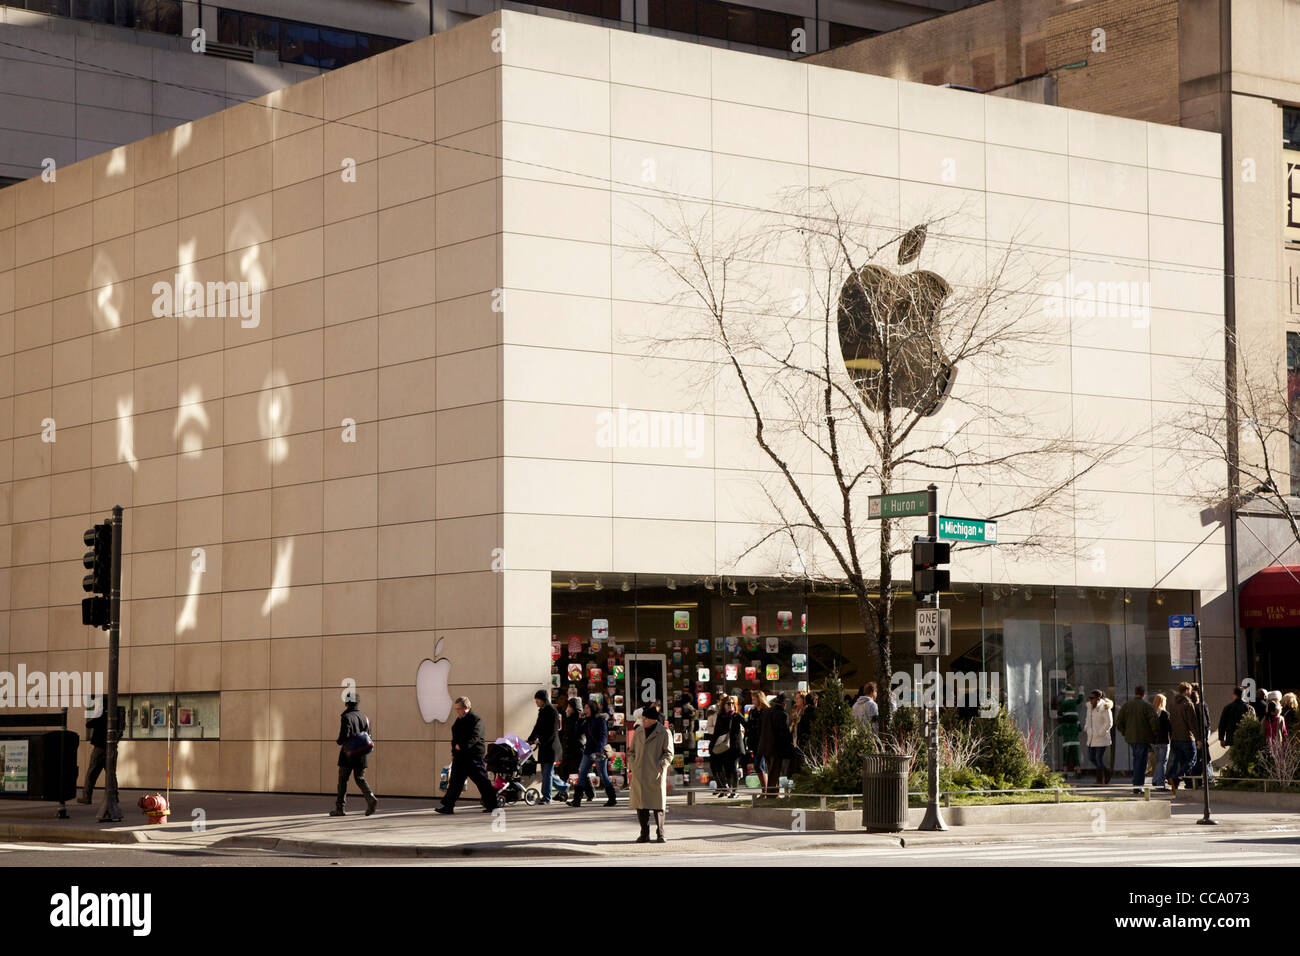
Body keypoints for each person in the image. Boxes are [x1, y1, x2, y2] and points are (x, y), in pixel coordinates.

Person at [436, 696, 496, 814]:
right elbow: (454, 739)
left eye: (459, 709)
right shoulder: (458, 722)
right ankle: (448, 806)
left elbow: (475, 738)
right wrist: (454, 752)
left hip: (473, 757)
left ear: (467, 707)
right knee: (455, 782)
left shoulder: (476, 720)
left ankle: (493, 805)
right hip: (460, 757)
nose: (457, 711)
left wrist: (462, 746)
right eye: (456, 709)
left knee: (482, 781)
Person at [627, 705, 673, 842]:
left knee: (658, 805)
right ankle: (644, 834)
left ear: (653, 720)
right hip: (639, 773)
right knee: (641, 805)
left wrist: (661, 766)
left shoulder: (664, 732)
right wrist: (633, 765)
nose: (642, 721)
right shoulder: (639, 731)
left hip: (655, 773)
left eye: (645, 719)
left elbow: (669, 753)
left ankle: (661, 833)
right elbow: (631, 752)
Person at [331, 695, 377, 817]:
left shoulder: (346, 717)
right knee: (360, 778)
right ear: (358, 703)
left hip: (348, 754)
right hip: (362, 754)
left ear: (346, 703)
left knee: (343, 780)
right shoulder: (365, 717)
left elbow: (344, 736)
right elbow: (369, 735)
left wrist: (339, 741)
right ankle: (370, 797)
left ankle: (340, 808)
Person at [571, 700, 617, 807]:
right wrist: (580, 720)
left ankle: (612, 798)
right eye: (584, 708)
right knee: (582, 772)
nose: (585, 710)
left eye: (587, 708)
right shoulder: (586, 721)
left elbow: (603, 736)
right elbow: (577, 732)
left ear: (592, 708)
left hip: (599, 751)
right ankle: (577, 800)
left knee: (603, 774)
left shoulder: (600, 720)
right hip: (588, 751)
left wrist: (598, 751)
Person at [1115, 685, 1158, 794]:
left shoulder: (1126, 706)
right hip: (1143, 738)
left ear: (1135, 693)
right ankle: (1138, 785)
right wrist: (1154, 735)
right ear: (1144, 694)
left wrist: (1125, 732)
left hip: (1131, 739)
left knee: (1137, 760)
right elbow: (1154, 723)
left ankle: (1137, 785)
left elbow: (1119, 722)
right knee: (1141, 762)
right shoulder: (1147, 706)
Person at [527, 689, 564, 805]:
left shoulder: (552, 711)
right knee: (546, 772)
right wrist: (530, 739)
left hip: (551, 747)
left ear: (542, 699)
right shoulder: (542, 711)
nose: (536, 702)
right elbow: (537, 727)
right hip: (544, 746)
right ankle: (565, 786)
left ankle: (547, 797)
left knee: (547, 773)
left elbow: (552, 732)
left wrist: (540, 740)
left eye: (537, 700)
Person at [1166, 682, 1198, 795]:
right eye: (1189, 691)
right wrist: (1198, 738)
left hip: (1175, 738)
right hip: (1187, 738)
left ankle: (1187, 784)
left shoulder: (1172, 703)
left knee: (1183, 761)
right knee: (1191, 760)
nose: (1190, 693)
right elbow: (1192, 723)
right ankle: (1175, 777)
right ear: (1186, 691)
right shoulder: (1188, 704)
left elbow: (1170, 721)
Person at [759, 692, 794, 796]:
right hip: (775, 747)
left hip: (764, 746)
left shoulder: (766, 712)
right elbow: (784, 733)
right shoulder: (782, 714)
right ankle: (772, 794)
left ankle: (774, 792)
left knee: (771, 770)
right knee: (774, 771)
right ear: (784, 704)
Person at [710, 696, 745, 797]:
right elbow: (716, 732)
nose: (731, 705)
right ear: (724, 705)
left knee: (733, 767)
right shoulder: (721, 716)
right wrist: (712, 746)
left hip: (735, 747)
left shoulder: (737, 716)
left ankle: (735, 791)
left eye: (732, 703)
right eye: (728, 704)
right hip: (725, 747)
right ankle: (727, 788)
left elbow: (747, 725)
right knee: (725, 768)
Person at [555, 697, 583, 803]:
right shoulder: (569, 718)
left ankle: (586, 792)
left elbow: (577, 735)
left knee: (577, 772)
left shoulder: (578, 719)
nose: (567, 708)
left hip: (576, 750)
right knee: (564, 770)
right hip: (568, 749)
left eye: (570, 706)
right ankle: (563, 792)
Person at [1083, 689, 1113, 785]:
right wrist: (1086, 727)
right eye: (1089, 698)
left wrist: (1100, 732)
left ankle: (1099, 780)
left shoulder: (1104, 707)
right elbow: (1088, 719)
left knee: (1098, 758)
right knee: (1091, 757)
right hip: (1092, 737)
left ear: (1098, 698)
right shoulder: (1089, 707)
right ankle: (1107, 772)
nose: (1090, 700)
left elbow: (1109, 722)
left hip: (1101, 737)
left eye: (1092, 698)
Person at [77, 708, 108, 805]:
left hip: (99, 748)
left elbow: (88, 724)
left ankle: (87, 796)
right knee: (111, 774)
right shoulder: (113, 718)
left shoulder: (100, 717)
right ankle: (114, 796)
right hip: (110, 748)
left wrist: (95, 715)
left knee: (92, 772)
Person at [747, 691, 771, 791]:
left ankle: (765, 789)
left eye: (754, 699)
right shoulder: (753, 711)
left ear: (759, 699)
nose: (753, 701)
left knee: (758, 765)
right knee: (759, 765)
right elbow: (749, 725)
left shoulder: (766, 711)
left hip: (764, 741)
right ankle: (764, 789)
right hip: (755, 741)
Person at [1058, 685, 1082, 777]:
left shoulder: (1064, 703)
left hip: (1066, 742)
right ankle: (1078, 771)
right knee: (1076, 756)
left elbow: (1060, 713)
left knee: (1066, 757)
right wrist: (1081, 692)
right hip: (1075, 741)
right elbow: (1079, 729)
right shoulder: (1076, 722)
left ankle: (1065, 772)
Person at [1151, 693, 1171, 789]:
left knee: (1159, 761)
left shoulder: (1152, 713)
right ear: (1163, 702)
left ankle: (1155, 780)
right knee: (1162, 762)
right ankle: (1160, 783)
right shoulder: (1165, 714)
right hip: (1164, 740)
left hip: (1154, 742)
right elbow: (1169, 728)